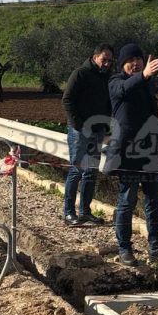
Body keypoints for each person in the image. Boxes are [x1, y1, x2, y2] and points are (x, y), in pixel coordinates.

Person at [104, 43, 158, 266]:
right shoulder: (115, 82)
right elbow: (124, 90)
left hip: (151, 153)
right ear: (122, 64)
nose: (135, 63)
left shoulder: (147, 86)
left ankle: (157, 247)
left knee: (155, 201)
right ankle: (124, 247)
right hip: (128, 154)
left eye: (138, 59)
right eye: (131, 60)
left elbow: (152, 118)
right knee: (127, 201)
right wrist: (144, 75)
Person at [61, 43, 114, 226]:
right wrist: (78, 124)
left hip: (97, 130)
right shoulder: (80, 74)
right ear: (95, 57)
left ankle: (85, 211)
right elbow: (67, 99)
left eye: (109, 61)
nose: (106, 64)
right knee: (77, 170)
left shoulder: (106, 77)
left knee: (91, 172)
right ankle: (68, 212)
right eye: (104, 60)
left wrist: (106, 123)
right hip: (80, 131)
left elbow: (107, 103)